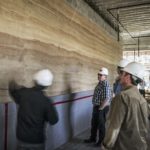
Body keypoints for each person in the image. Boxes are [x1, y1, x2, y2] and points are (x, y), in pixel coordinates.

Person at [101, 62, 150, 150]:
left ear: (128, 77)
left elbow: (114, 127)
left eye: (122, 73)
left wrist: (105, 146)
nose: (120, 76)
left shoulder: (122, 97)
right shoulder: (142, 100)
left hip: (124, 146)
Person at [9, 69, 59, 150]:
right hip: (37, 141)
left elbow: (12, 90)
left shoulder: (23, 93)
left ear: (35, 80)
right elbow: (54, 120)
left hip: (22, 139)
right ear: (47, 85)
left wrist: (13, 80)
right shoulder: (46, 101)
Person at [84, 67, 112, 147]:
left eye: (100, 75)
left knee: (101, 125)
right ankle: (92, 138)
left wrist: (100, 108)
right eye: (98, 74)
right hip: (97, 107)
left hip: (101, 108)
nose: (98, 76)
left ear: (105, 76)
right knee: (94, 124)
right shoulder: (100, 83)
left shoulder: (105, 85)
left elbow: (107, 98)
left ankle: (101, 142)